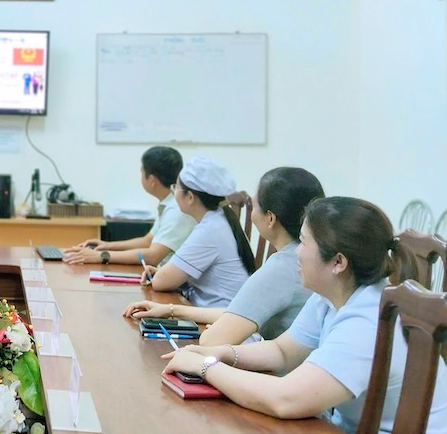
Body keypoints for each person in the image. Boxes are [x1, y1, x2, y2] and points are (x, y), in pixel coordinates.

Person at [161, 196, 447, 434]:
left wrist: (206, 367)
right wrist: (221, 353)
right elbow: (282, 351)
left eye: (303, 242)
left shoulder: (366, 320)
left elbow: (286, 399)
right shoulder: (333, 295)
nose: (296, 251)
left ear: (338, 262)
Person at [124, 167, 323, 345]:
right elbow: (239, 312)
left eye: (255, 204)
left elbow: (213, 340)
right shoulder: (308, 257)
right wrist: (170, 310)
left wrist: (215, 332)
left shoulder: (281, 267)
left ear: (270, 218)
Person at [140, 155, 254, 308]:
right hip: (214, 316)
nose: (174, 193)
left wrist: (161, 274)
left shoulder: (209, 230)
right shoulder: (217, 219)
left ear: (190, 197)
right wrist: (162, 272)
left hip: (218, 322)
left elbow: (161, 282)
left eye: (176, 188)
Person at [64, 146, 195, 266]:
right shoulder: (169, 203)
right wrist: (107, 246)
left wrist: (102, 256)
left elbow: (153, 256)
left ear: (152, 180)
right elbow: (147, 242)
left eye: (142, 171)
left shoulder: (177, 210)